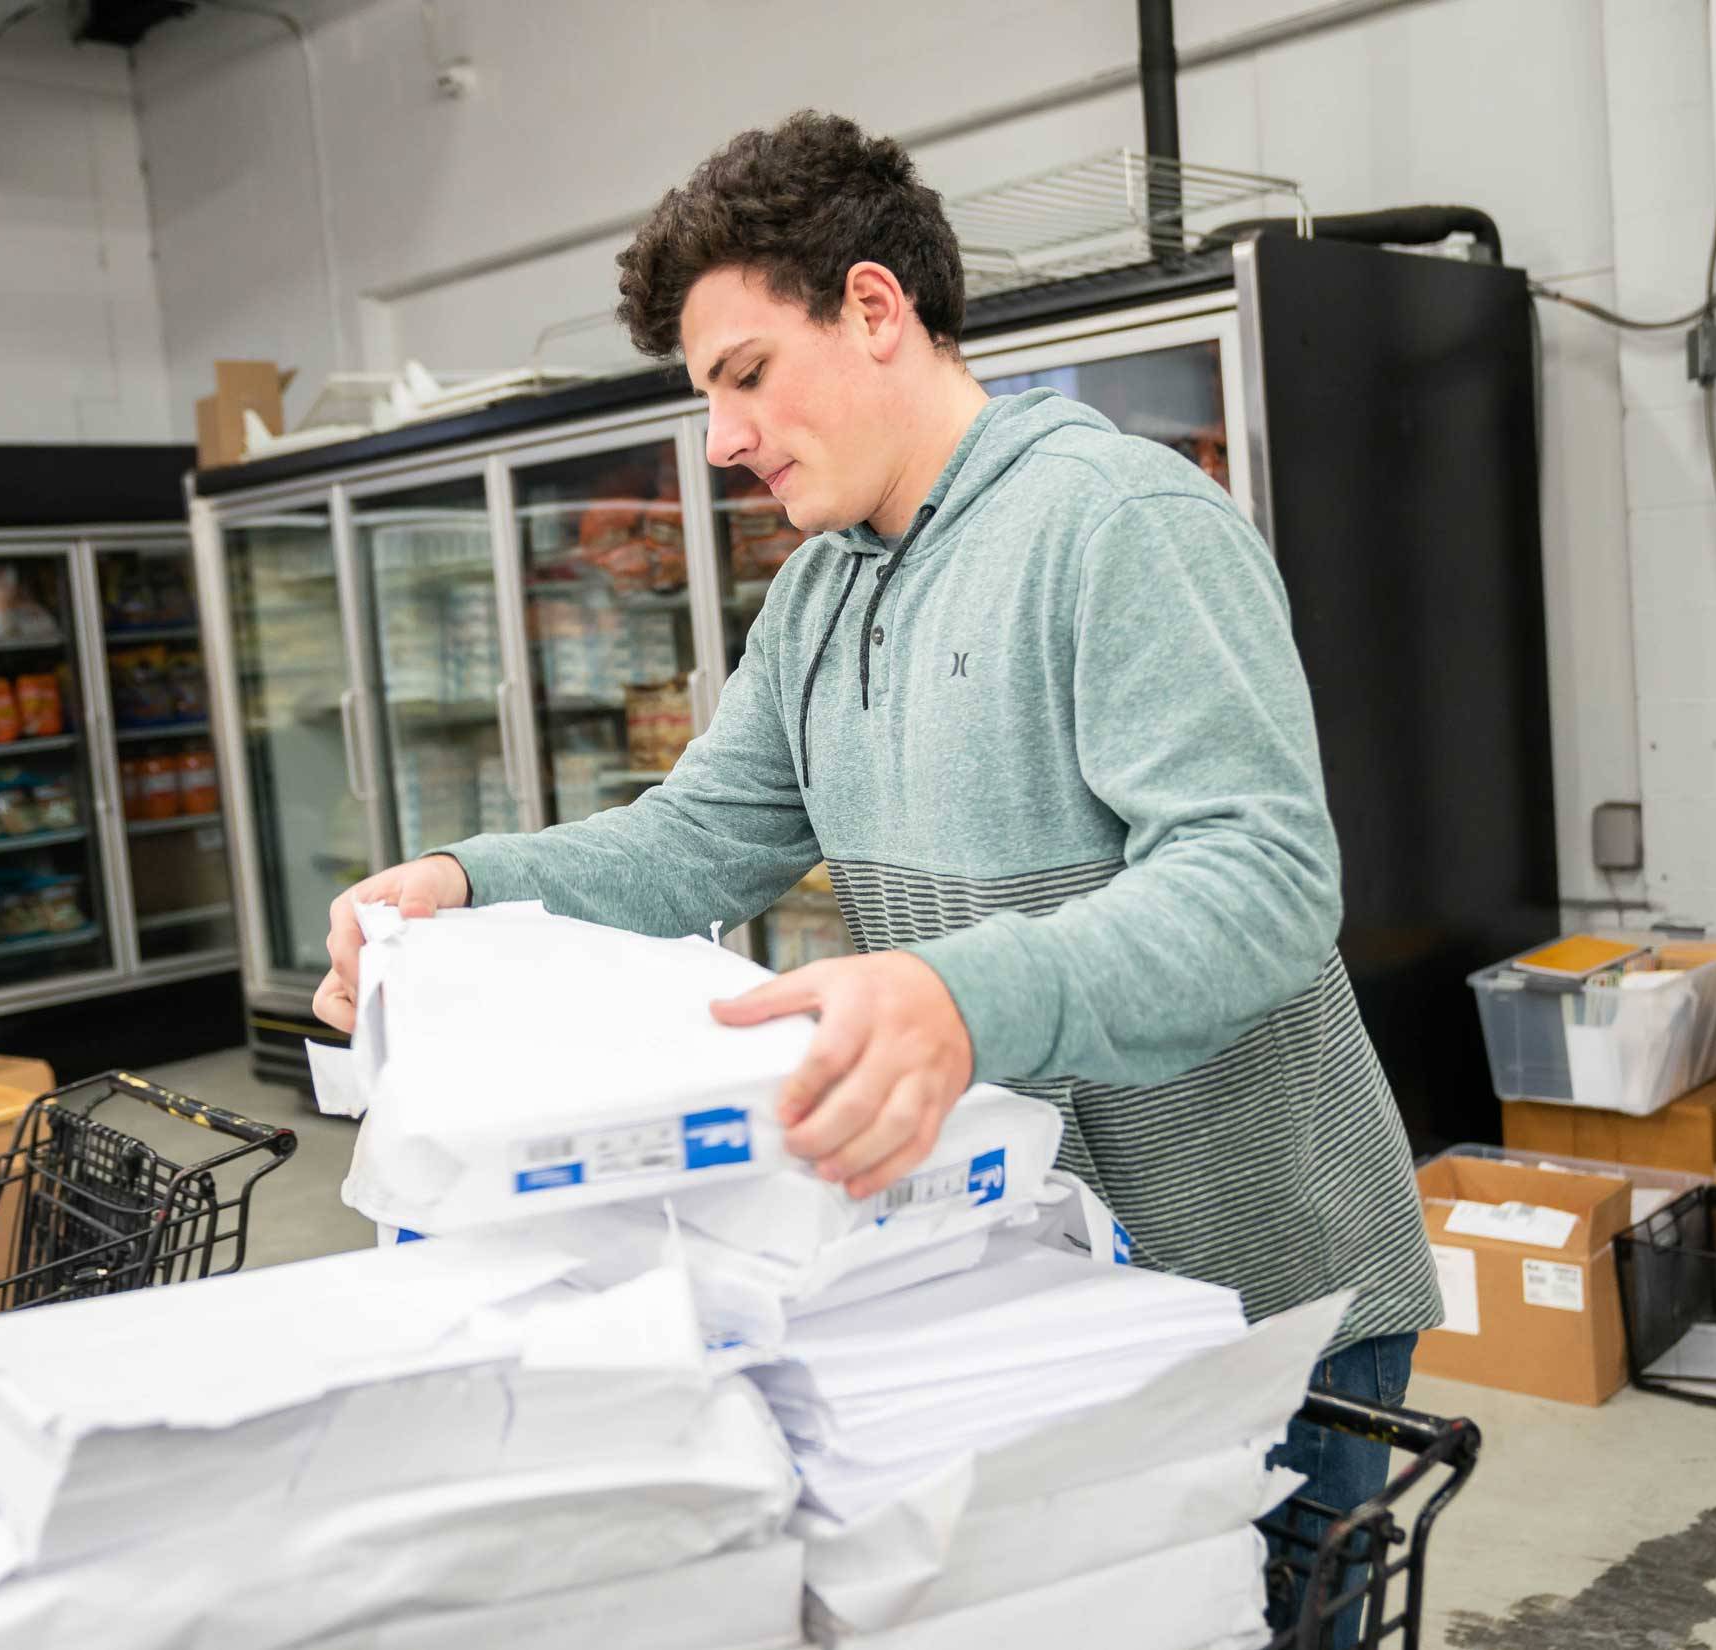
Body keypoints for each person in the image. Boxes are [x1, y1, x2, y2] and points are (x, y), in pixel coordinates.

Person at [316, 111, 1441, 1628]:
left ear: (871, 308)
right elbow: (695, 836)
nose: (721, 438)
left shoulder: (1116, 523)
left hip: (1257, 1299)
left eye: (743, 376)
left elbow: (1259, 882)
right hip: (1032, 1286)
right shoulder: (823, 589)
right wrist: (462, 882)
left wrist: (959, 995)